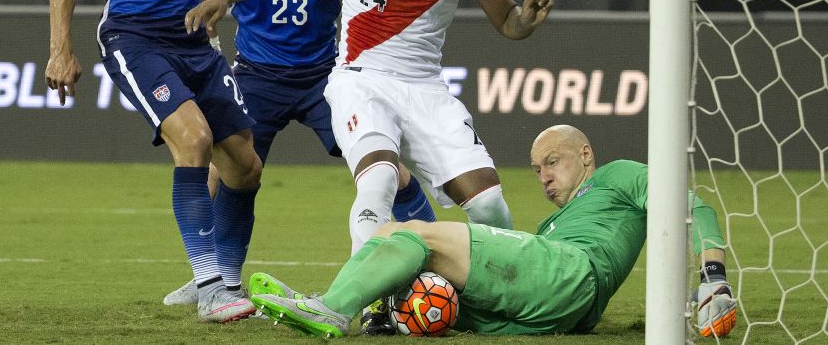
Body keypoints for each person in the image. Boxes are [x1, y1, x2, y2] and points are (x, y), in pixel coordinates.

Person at [184, 0, 554, 257]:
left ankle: (501, 293)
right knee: (379, 181)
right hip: (361, 82)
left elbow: (508, 22)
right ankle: (370, 304)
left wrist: (525, 20)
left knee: (488, 205)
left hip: (426, 90)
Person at [161, 0, 437, 314]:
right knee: (227, 173)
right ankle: (218, 279)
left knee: (388, 168)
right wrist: (206, 51)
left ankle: (438, 262)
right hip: (254, 78)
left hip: (323, 80)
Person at [45, 0, 260, 323]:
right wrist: (60, 49)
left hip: (191, 39)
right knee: (194, 139)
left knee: (246, 166)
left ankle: (223, 279)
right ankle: (211, 288)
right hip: (133, 36)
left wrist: (209, 10)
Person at [247, 125, 740, 338]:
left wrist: (712, 277)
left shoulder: (618, 176)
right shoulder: (554, 224)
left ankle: (334, 308)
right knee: (422, 261)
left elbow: (687, 204)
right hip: (562, 312)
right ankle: (385, 311)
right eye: (536, 168)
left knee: (412, 234)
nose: (544, 175)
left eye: (553, 162)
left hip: (571, 273)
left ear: (585, 154)